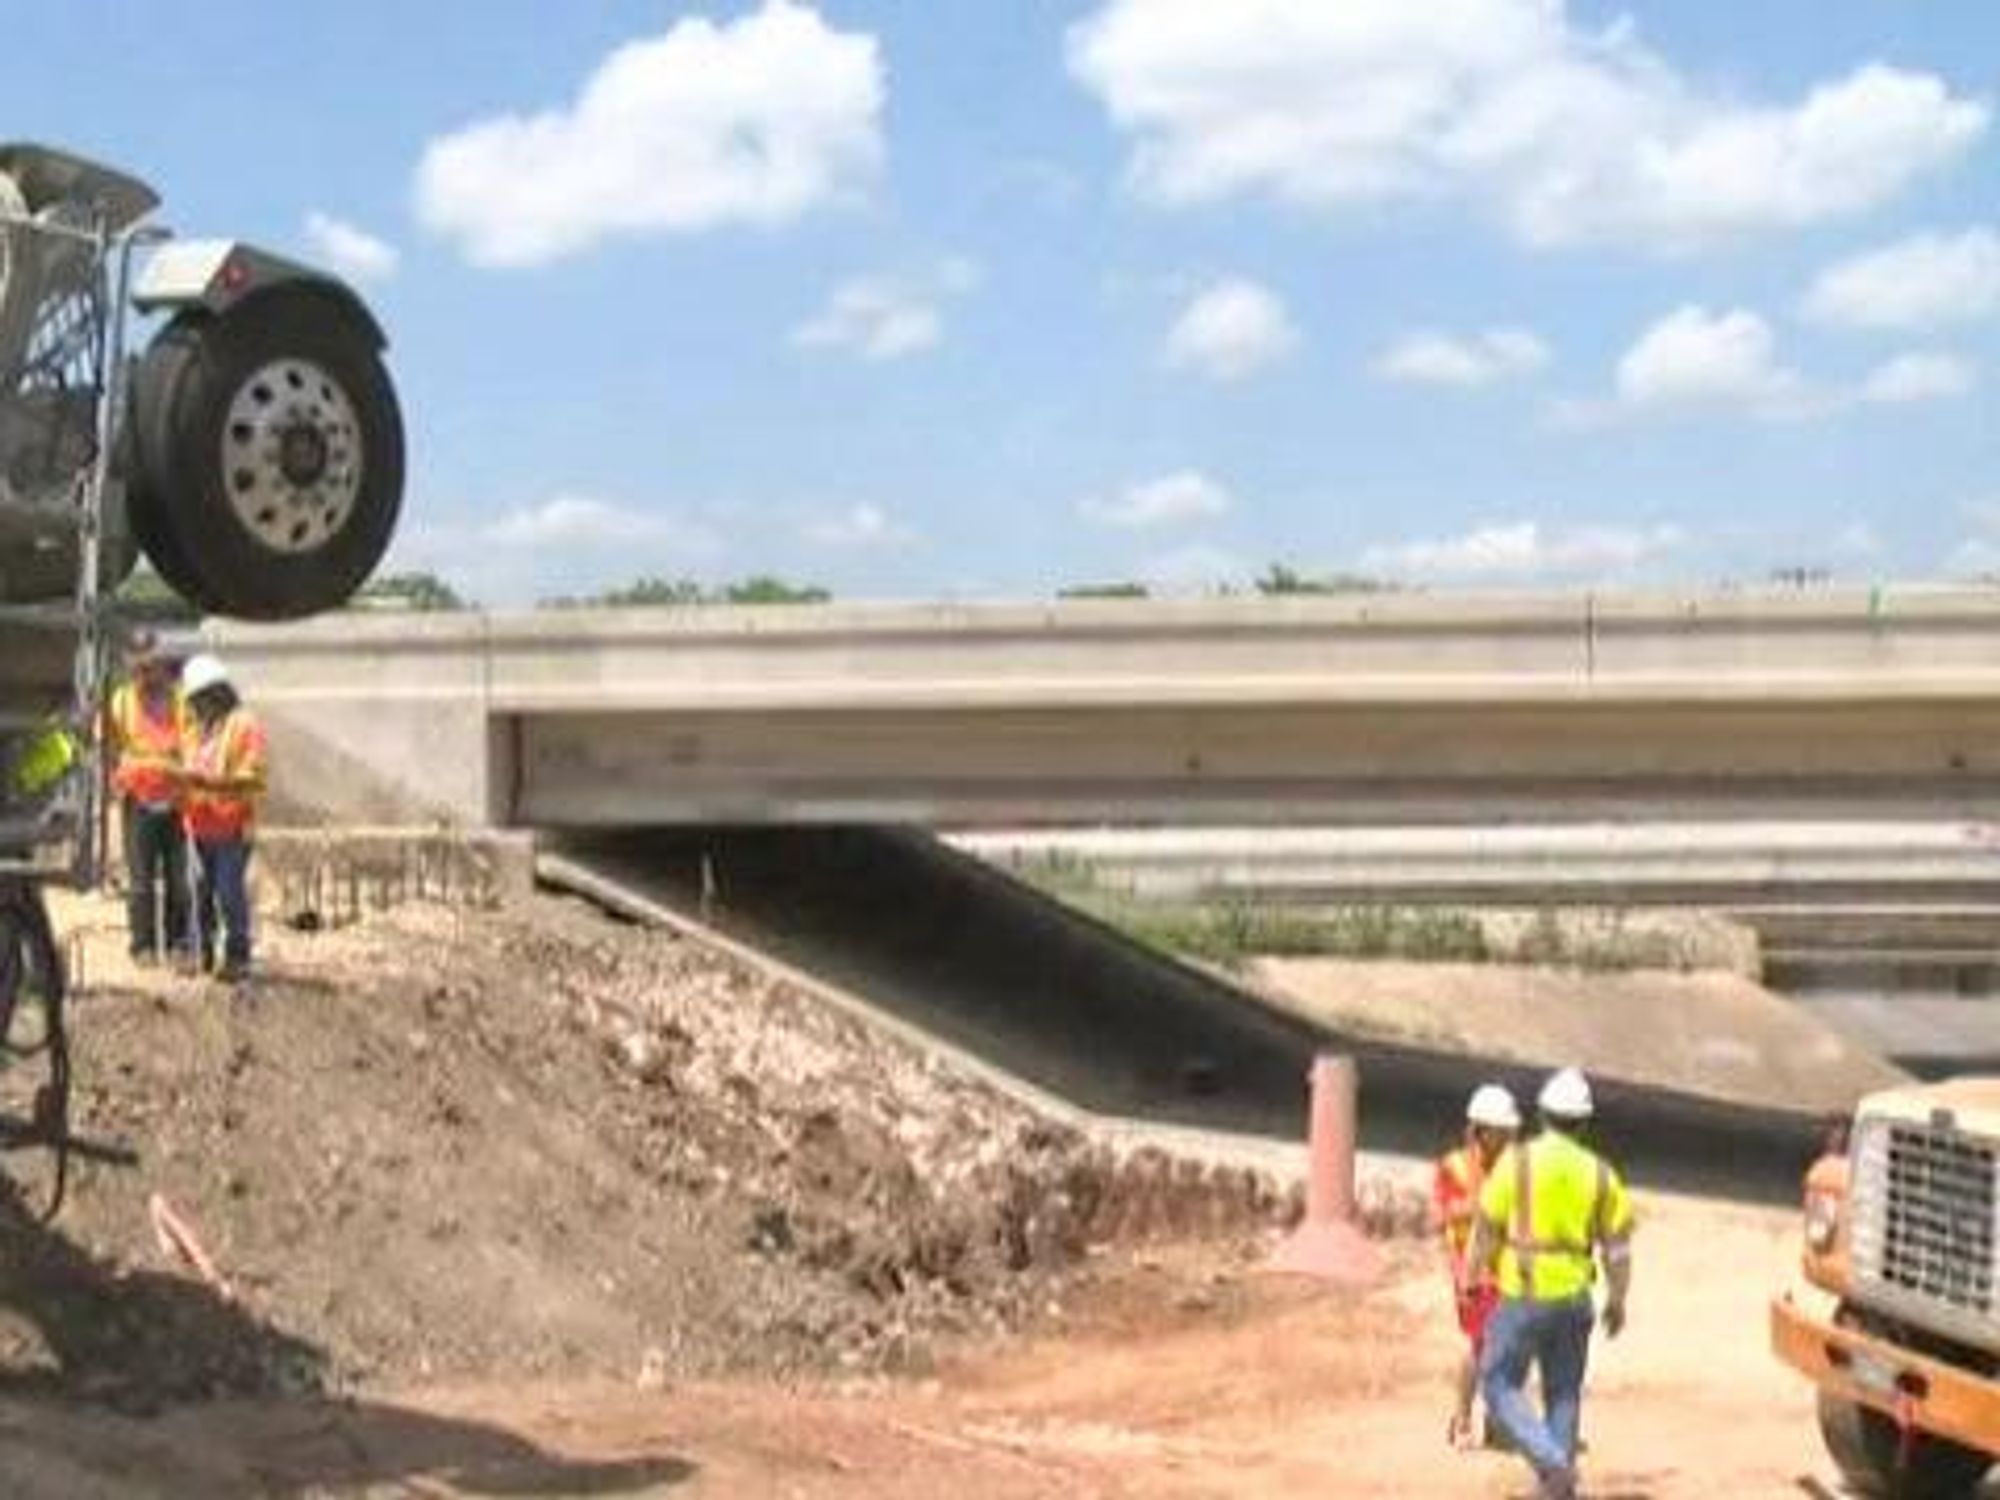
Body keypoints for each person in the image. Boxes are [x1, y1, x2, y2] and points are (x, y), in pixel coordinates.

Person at [1469, 1067, 1635, 1500]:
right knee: (1563, 1394)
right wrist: (1618, 1301)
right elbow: (1618, 1250)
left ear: (1543, 1115)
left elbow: (1486, 1227)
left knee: (1497, 1382)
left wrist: (1473, 1275)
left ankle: (1553, 1466)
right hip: (1576, 1297)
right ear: (1582, 1122)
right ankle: (1556, 1493)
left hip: (1524, 1294)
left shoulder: (1516, 1163)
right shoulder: (1601, 1175)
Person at [1434, 1082, 1520, 1450]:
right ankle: (1463, 1418)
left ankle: (1497, 1420)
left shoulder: (1515, 1166)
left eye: (1510, 1133)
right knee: (1481, 1345)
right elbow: (1443, 1213)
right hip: (1472, 1272)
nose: (1506, 1140)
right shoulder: (1453, 1167)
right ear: (1479, 1130)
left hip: (1509, 1269)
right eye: (1501, 1133)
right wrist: (1485, 1205)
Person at [175, 654, 267, 982]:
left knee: (228, 893)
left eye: (199, 699)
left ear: (216, 693)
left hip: (232, 827)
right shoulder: (195, 729)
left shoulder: (245, 725)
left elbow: (252, 778)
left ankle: (238, 956)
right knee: (197, 891)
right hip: (198, 825)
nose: (195, 706)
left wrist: (210, 784)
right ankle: (198, 951)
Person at [107, 636, 188, 963]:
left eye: (148, 667)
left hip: (177, 800)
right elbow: (108, 746)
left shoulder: (181, 701)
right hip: (137, 801)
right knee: (140, 880)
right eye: (137, 668)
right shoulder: (121, 702)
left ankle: (178, 942)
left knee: (178, 880)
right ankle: (143, 945)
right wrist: (114, 779)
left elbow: (194, 743)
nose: (143, 675)